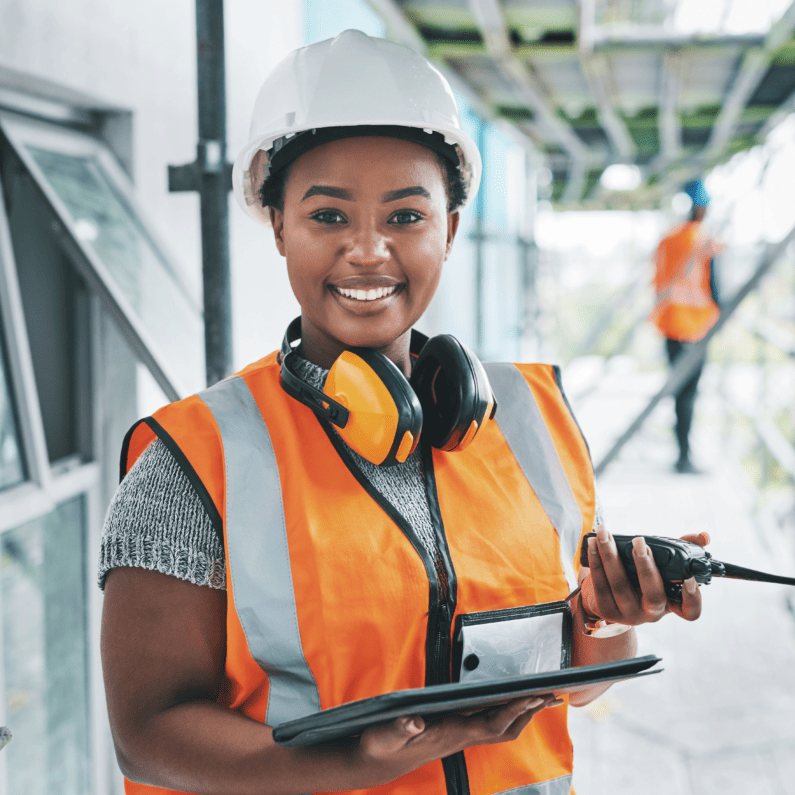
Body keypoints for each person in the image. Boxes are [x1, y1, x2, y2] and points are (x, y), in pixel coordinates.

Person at [100, 30, 707, 795]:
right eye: (326, 216)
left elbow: (575, 681)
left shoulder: (531, 419)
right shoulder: (195, 460)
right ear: (278, 225)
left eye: (405, 217)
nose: (367, 251)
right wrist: (353, 764)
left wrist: (606, 617)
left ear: (449, 228)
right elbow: (146, 734)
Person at [651, 179, 721, 474]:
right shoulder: (703, 241)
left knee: (679, 393)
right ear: (702, 208)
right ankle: (684, 456)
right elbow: (716, 289)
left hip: (669, 325)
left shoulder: (667, 239)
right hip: (694, 329)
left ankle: (682, 453)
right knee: (688, 395)